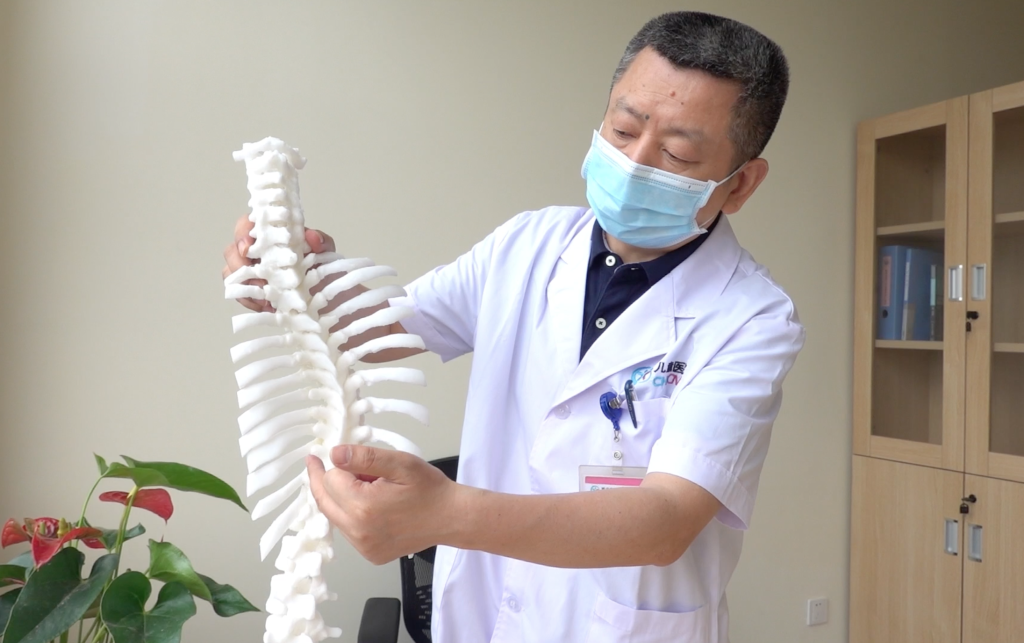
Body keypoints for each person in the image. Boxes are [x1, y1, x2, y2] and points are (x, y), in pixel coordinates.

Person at [224, 11, 804, 643]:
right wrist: (298, 283)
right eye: (623, 129)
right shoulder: (528, 244)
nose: (635, 163)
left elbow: (665, 521)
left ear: (740, 184)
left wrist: (445, 514)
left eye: (676, 153)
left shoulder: (752, 319)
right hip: (481, 620)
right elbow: (380, 331)